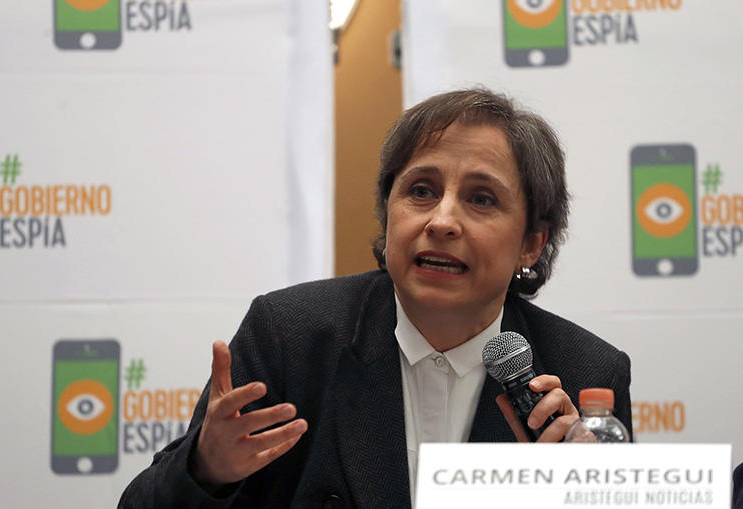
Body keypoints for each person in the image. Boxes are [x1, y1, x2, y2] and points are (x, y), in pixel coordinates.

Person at [119, 88, 632, 508]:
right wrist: (205, 472)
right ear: (389, 217)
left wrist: (588, 497)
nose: (442, 221)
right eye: (421, 191)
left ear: (531, 243)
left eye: (481, 198)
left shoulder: (587, 375)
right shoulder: (291, 337)